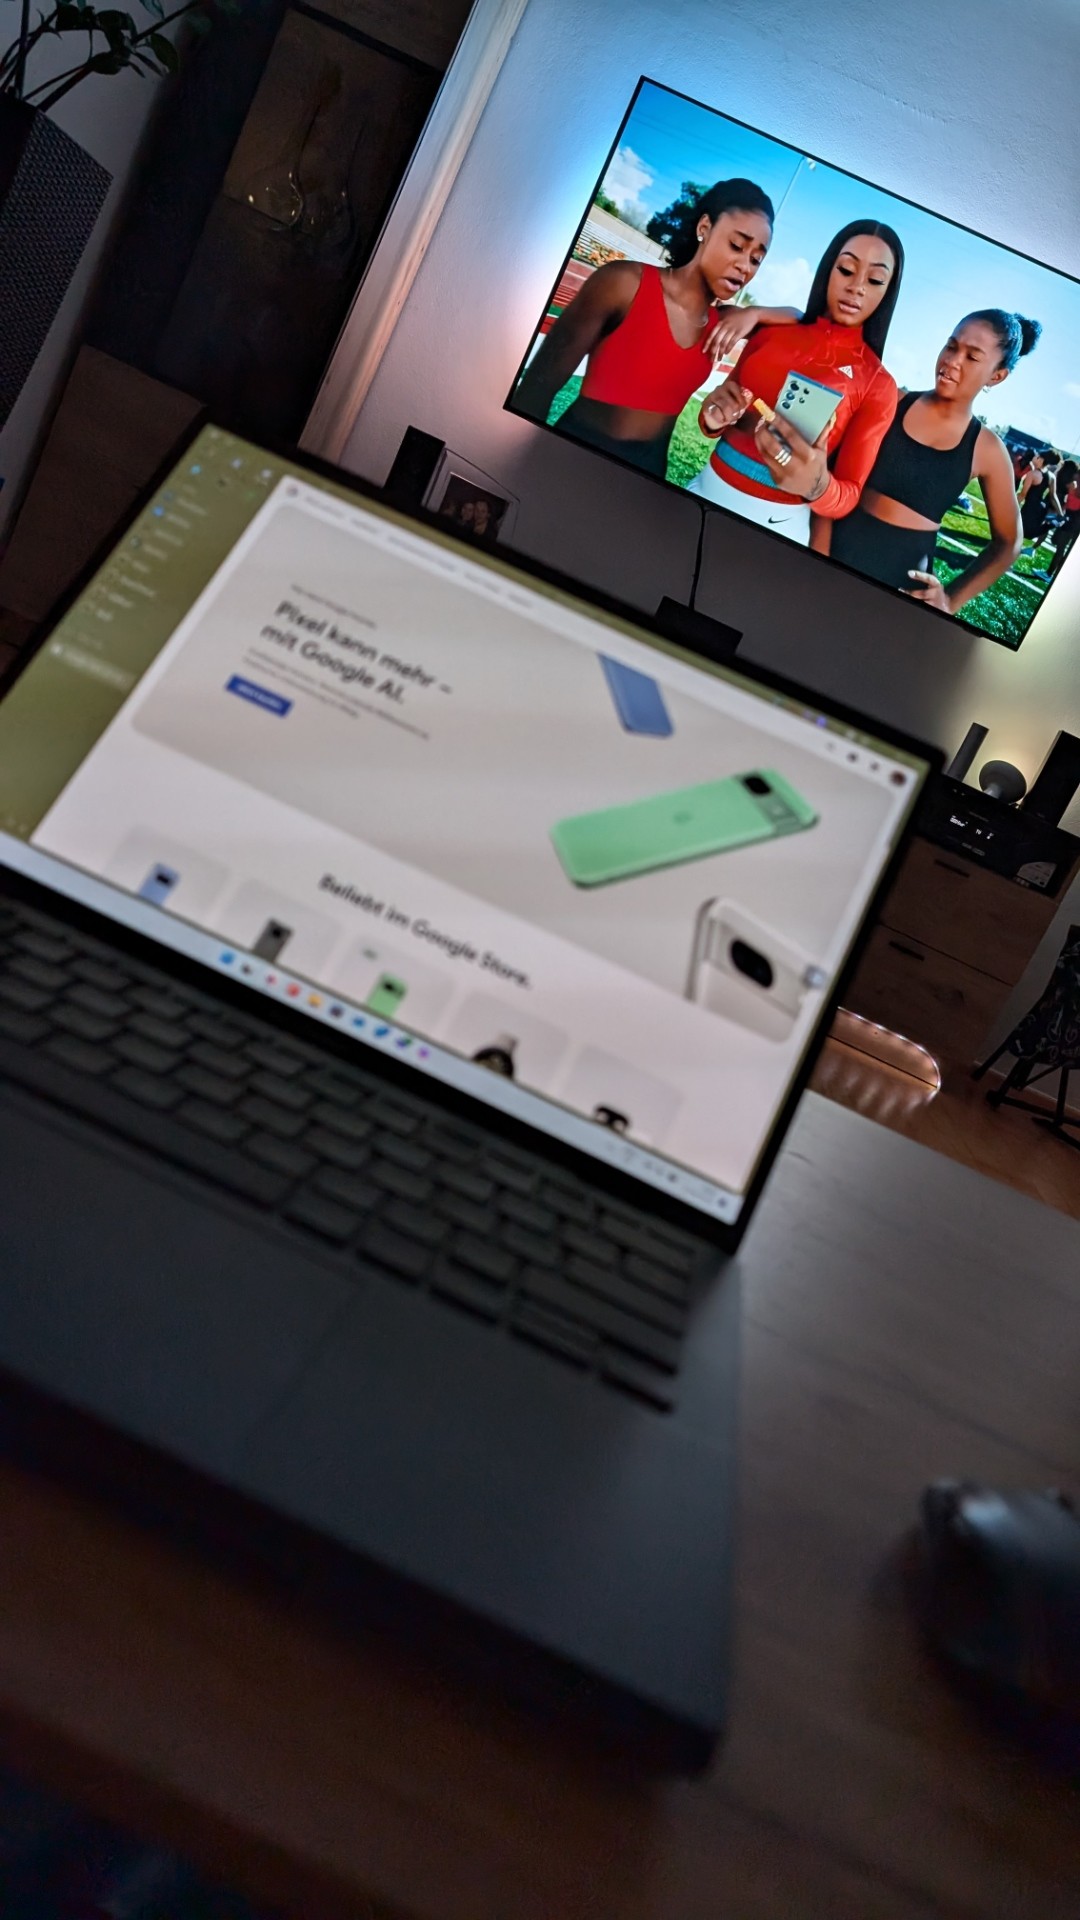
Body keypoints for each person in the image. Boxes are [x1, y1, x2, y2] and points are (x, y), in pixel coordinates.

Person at [513, 178, 787, 478]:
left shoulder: (723, 322)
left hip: (648, 476)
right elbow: (535, 389)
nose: (745, 266)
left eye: (756, 259)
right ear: (704, 228)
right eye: (737, 245)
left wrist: (755, 312)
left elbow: (802, 320)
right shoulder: (623, 284)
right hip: (573, 457)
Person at [688, 221, 903, 546]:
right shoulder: (772, 332)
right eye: (846, 270)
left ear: (887, 292)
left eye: (874, 280)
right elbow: (716, 414)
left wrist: (818, 486)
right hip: (704, 488)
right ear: (828, 270)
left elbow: (849, 492)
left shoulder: (877, 383)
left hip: (776, 524)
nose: (857, 287)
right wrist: (713, 416)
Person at [827, 310, 1040, 614]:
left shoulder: (987, 449)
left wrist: (951, 600)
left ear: (996, 376)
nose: (953, 360)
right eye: (951, 346)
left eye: (972, 357)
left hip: (902, 585)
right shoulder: (892, 400)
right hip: (834, 549)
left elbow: (1009, 542)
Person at [1017, 446, 1063, 577]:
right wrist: (1061, 514)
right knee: (1024, 534)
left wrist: (1012, 507)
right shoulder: (1051, 476)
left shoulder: (1033, 474)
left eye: (1037, 456)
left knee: (1018, 535)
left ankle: (1004, 561)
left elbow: (1022, 494)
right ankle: (1051, 524)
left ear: (1041, 459)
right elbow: (1053, 496)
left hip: (1030, 509)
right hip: (1041, 510)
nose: (1034, 457)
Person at [1049, 458, 1080, 580]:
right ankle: (1054, 573)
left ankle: (1050, 573)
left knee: (1061, 547)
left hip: (1073, 522)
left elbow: (1072, 505)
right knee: (1060, 545)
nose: (1074, 475)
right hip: (1072, 520)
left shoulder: (1074, 487)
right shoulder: (1074, 486)